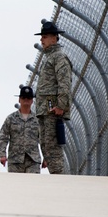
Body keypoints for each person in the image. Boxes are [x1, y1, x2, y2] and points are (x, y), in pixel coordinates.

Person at [35, 20, 73, 174]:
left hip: (53, 110)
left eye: (45, 36)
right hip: (45, 110)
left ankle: (59, 178)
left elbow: (64, 82)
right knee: (45, 145)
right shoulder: (49, 58)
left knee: (53, 147)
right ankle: (56, 175)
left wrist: (61, 106)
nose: (41, 40)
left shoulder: (59, 57)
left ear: (54, 38)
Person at [0, 85, 42, 173]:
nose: (26, 100)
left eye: (28, 98)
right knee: (16, 186)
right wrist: (2, 154)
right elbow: (2, 137)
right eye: (23, 97)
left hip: (33, 161)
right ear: (19, 99)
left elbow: (44, 141)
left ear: (32, 100)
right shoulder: (11, 118)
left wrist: (47, 158)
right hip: (15, 161)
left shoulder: (38, 120)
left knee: (33, 185)